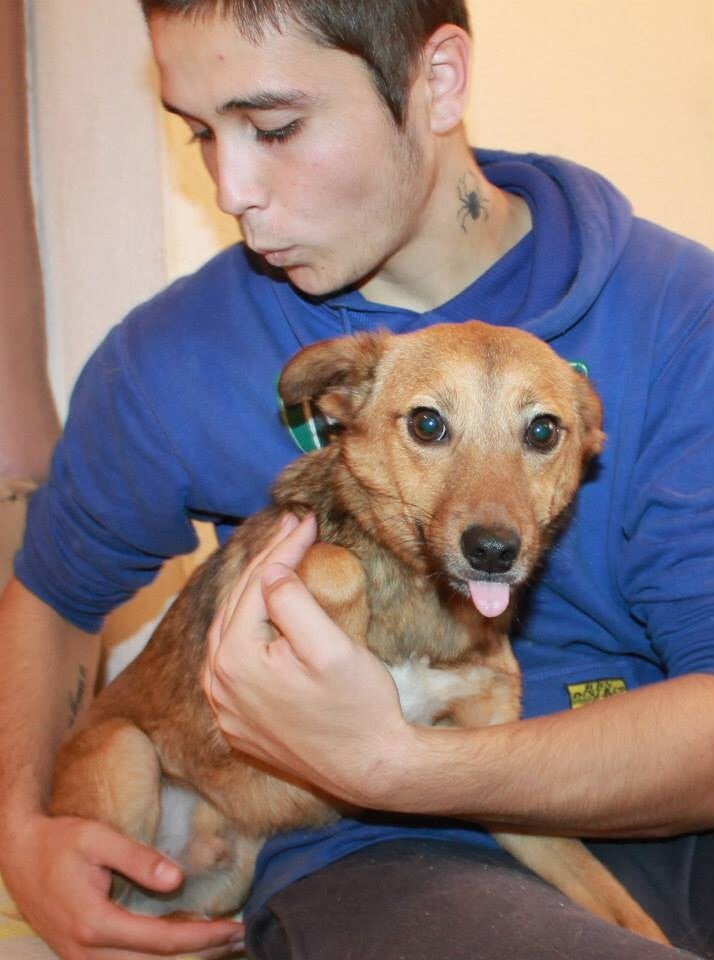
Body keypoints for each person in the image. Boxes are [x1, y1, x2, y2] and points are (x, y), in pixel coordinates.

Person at [0, 1, 712, 958]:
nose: (231, 191)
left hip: (652, 797)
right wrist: (19, 834)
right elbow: (51, 596)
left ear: (437, 81)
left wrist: (394, 761)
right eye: (201, 133)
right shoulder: (170, 358)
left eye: (276, 127)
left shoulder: (681, 317)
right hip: (373, 853)